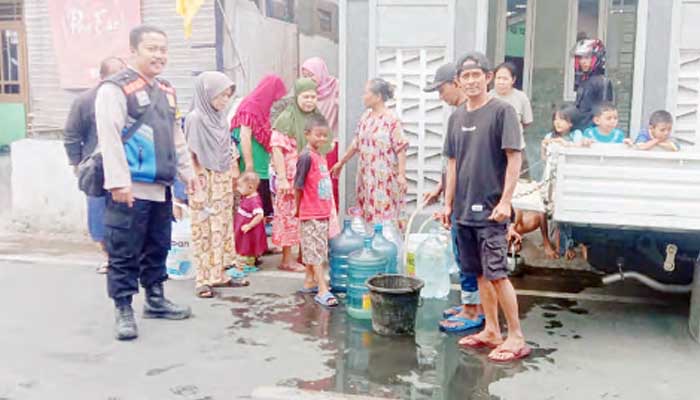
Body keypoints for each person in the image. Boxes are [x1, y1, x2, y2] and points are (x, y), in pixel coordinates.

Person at [96, 25, 196, 340]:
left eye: (163, 49)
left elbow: (177, 137)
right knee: (124, 250)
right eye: (152, 48)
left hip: (161, 187)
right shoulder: (115, 89)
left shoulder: (166, 90)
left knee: (158, 245)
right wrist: (118, 182)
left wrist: (189, 176)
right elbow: (109, 137)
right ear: (134, 51)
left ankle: (155, 298)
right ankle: (123, 308)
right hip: (129, 188)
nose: (159, 55)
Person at [440, 52, 530, 362]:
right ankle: (491, 329)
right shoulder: (456, 117)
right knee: (478, 273)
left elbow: (514, 157)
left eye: (477, 74)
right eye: (465, 77)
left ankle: (516, 336)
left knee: (496, 273)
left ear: (487, 77)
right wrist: (447, 204)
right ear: (458, 82)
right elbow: (452, 164)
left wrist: (506, 201)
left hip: (492, 210)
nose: (471, 81)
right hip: (463, 211)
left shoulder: (502, 111)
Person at [422, 61, 484, 333]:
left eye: (441, 89)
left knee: (467, 255)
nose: (440, 96)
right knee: (462, 255)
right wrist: (440, 188)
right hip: (457, 196)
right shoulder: (458, 115)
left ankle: (473, 311)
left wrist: (449, 202)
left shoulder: (467, 115)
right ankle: (470, 305)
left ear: (455, 83)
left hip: (468, 198)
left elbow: (464, 163)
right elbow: (452, 163)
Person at [186, 71, 249, 299]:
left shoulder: (220, 118)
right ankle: (202, 279)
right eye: (220, 96)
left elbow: (227, 147)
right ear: (207, 94)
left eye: (227, 96)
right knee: (204, 229)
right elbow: (191, 154)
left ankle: (219, 274)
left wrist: (233, 170)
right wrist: (199, 185)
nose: (224, 101)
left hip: (221, 178)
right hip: (204, 179)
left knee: (221, 227)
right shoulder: (195, 118)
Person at [64, 57, 126, 274]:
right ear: (102, 77)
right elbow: (72, 134)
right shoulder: (85, 100)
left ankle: (126, 256)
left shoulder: (130, 97)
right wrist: (76, 163)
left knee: (126, 212)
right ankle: (108, 256)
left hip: (125, 164)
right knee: (98, 212)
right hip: (95, 166)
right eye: (114, 75)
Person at [331, 78, 408, 225]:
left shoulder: (391, 119)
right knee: (366, 215)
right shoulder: (366, 116)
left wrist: (401, 175)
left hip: (383, 178)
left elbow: (401, 147)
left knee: (384, 217)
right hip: (366, 177)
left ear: (378, 96)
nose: (363, 96)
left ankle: (388, 245)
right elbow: (356, 144)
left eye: (366, 93)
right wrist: (341, 162)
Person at [271, 78, 329, 272]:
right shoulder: (286, 118)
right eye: (305, 96)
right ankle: (287, 259)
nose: (309, 101)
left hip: (311, 178)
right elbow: (277, 149)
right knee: (288, 216)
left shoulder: (317, 117)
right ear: (297, 97)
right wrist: (282, 178)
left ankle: (305, 256)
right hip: (290, 176)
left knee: (308, 215)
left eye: (313, 96)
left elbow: (323, 146)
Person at [294, 114, 339, 307]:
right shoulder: (305, 157)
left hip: (321, 211)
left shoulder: (320, 156)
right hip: (310, 212)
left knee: (317, 248)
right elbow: (298, 185)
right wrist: (298, 208)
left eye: (324, 136)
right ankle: (322, 288)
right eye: (318, 135)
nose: (321, 139)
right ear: (307, 134)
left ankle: (310, 281)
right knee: (316, 252)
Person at [230, 75, 288, 219]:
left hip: (259, 159)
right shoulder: (251, 105)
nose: (275, 100)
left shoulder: (263, 108)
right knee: (253, 184)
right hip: (249, 158)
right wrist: (249, 164)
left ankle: (261, 217)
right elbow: (244, 136)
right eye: (275, 96)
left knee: (260, 182)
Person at [302, 57, 341, 209]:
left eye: (311, 74)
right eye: (304, 76)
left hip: (330, 144)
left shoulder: (335, 87)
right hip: (312, 145)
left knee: (331, 182)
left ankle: (334, 215)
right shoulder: (308, 94)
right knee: (315, 183)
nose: (308, 79)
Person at [490, 62, 533, 179]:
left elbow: (527, 122)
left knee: (522, 184)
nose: (501, 82)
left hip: (517, 149)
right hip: (493, 151)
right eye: (498, 78)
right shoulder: (487, 98)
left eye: (505, 78)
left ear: (513, 80)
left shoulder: (521, 98)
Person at [573, 38, 614, 131]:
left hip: (593, 134)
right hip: (580, 131)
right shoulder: (584, 80)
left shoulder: (602, 82)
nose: (582, 62)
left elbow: (605, 112)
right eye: (580, 58)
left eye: (587, 57)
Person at [234, 171, 268, 269]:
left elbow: (259, 215)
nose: (237, 189)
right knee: (244, 244)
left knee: (248, 245)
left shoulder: (254, 201)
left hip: (249, 229)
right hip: (243, 225)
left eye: (240, 187)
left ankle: (249, 263)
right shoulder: (247, 196)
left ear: (250, 187)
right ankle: (250, 260)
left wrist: (250, 225)